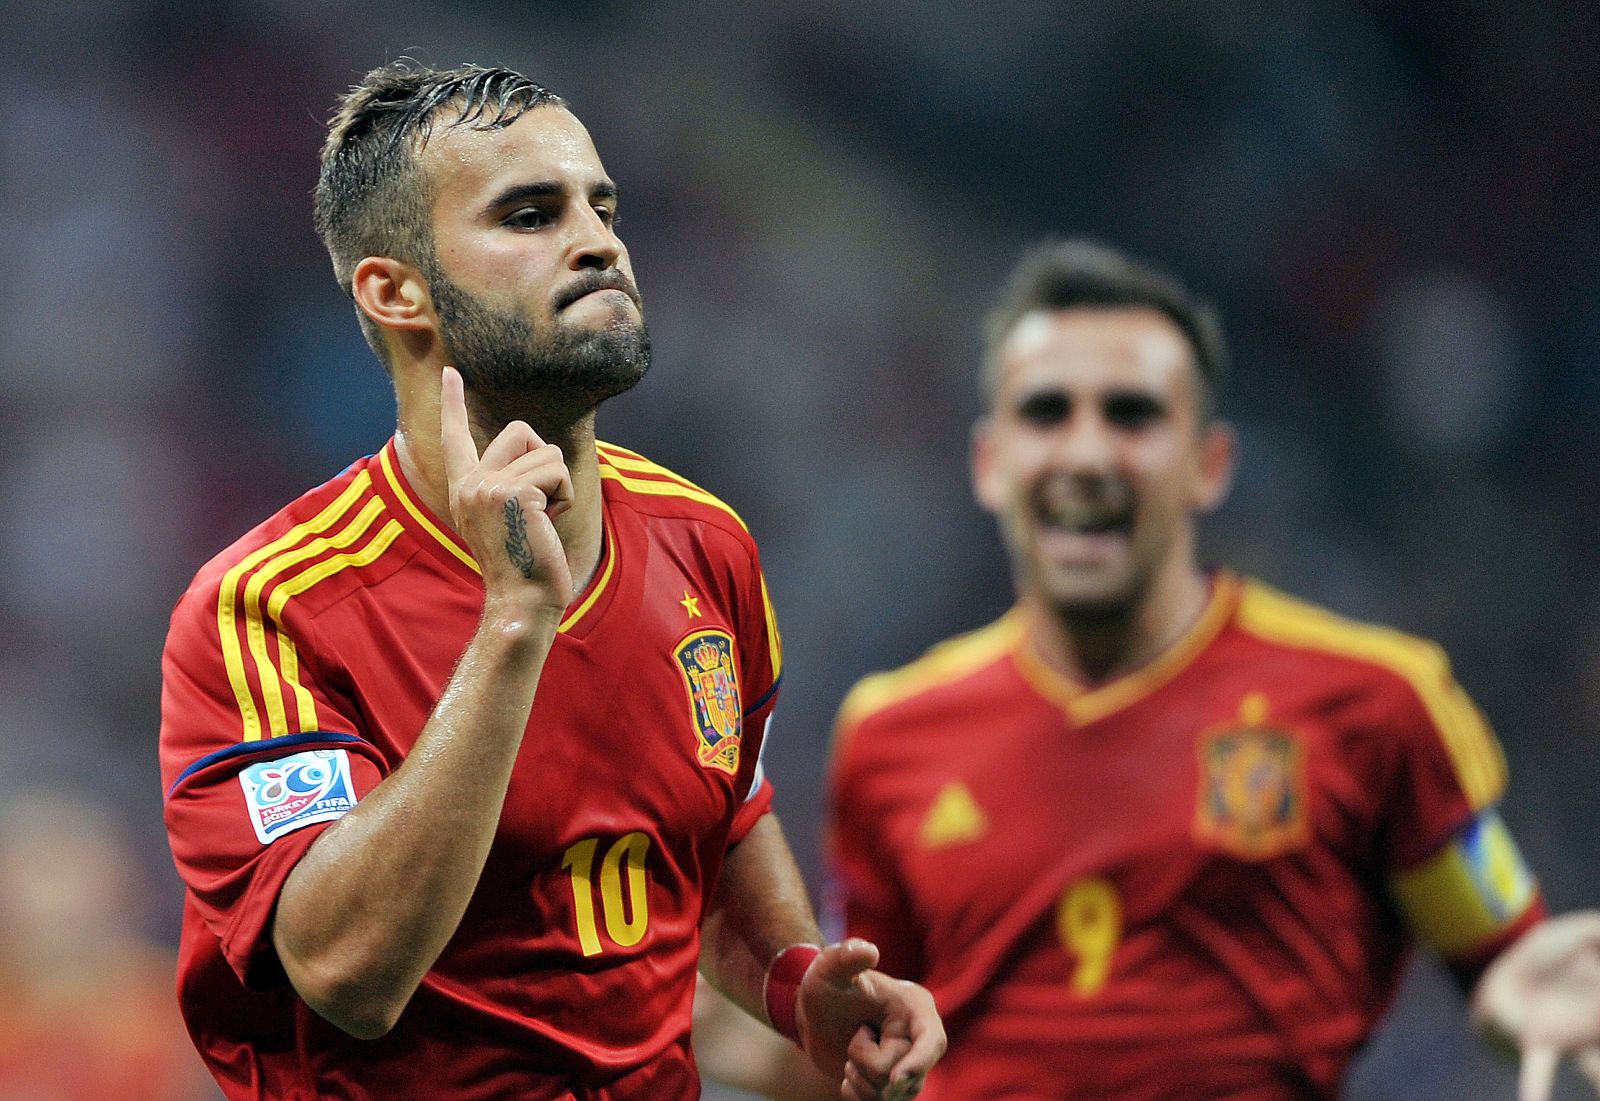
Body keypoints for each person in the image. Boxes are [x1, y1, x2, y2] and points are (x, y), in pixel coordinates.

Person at [157, 60, 942, 1101]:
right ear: (395, 290)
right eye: (530, 214)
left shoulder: (705, 543)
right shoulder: (270, 606)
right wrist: (512, 624)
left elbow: (719, 829)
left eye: (601, 206)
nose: (599, 241)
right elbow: (348, 973)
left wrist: (800, 984)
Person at [696, 239, 1600, 1101]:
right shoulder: (890, 733)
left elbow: (1511, 957)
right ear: (990, 462)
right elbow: (868, 1054)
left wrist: (1537, 983)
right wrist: (715, 1026)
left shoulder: (1374, 704)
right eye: (1047, 412)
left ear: (1209, 465)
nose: (1088, 453)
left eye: (1132, 414)